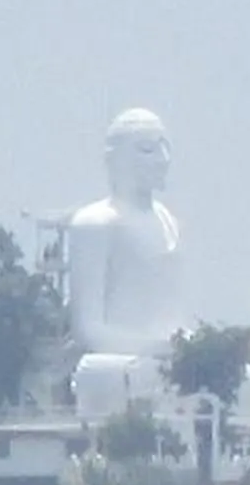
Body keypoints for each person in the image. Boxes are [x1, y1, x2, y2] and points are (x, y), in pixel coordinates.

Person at [67, 108, 185, 414]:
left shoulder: (168, 221)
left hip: (168, 356)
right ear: (116, 159)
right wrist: (159, 348)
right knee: (116, 373)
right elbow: (88, 329)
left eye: (165, 147)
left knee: (249, 376)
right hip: (124, 361)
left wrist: (189, 347)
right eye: (147, 149)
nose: (162, 159)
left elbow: (173, 312)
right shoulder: (95, 222)